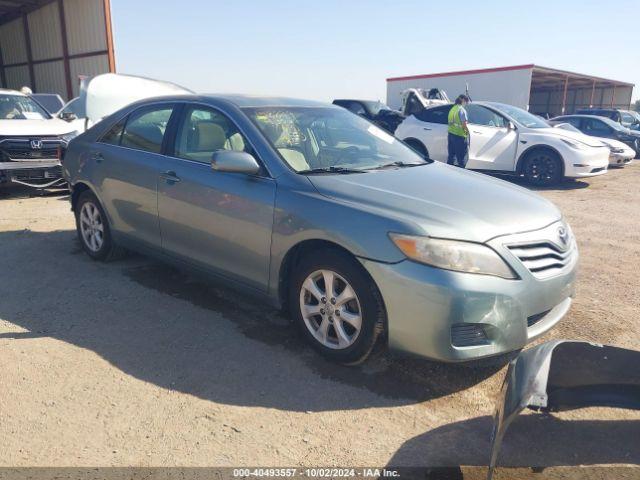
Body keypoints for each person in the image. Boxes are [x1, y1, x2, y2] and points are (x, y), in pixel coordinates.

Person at [447, 94, 470, 168]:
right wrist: (467, 133)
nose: (466, 104)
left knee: (451, 157)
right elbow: (464, 125)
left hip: (451, 135)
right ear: (463, 100)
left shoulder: (452, 109)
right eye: (466, 102)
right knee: (461, 159)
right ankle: (461, 175)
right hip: (459, 136)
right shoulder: (461, 110)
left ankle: (448, 173)